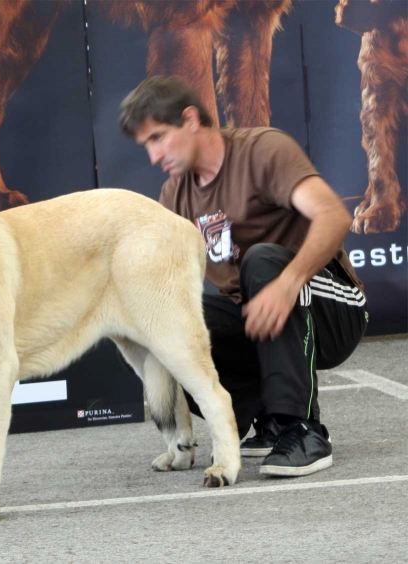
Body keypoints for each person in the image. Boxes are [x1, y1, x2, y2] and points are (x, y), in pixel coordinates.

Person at [118, 76, 368, 477]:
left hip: (332, 307)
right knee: (167, 319)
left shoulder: (263, 150)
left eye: (158, 138)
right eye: (146, 145)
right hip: (256, 318)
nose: (153, 156)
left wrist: (288, 283)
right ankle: (265, 417)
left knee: (263, 262)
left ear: (191, 119)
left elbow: (333, 215)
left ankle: (302, 428)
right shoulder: (174, 195)